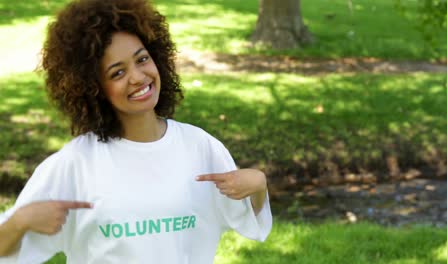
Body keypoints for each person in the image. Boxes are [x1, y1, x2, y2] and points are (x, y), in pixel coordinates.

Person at [0, 0, 272, 262]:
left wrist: (259, 185)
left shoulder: (199, 146)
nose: (138, 77)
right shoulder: (76, 163)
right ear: (94, 89)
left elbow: (247, 218)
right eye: (117, 73)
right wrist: (21, 221)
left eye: (142, 59)